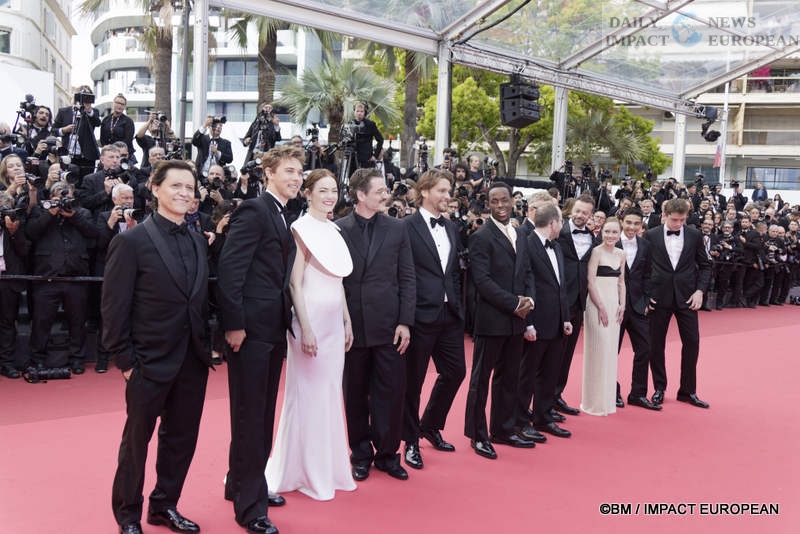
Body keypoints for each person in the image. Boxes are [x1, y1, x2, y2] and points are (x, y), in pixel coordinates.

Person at [103, 160, 213, 534]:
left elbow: (198, 300)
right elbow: (114, 306)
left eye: (189, 187)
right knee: (136, 444)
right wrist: (126, 362)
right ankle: (128, 515)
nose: (184, 193)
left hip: (191, 361)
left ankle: (165, 506)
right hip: (147, 363)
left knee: (181, 441)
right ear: (155, 188)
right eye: (176, 185)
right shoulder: (130, 242)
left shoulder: (197, 240)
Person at [218, 145, 304, 534]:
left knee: (260, 413)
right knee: (251, 416)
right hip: (250, 330)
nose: (296, 178)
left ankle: (241, 483)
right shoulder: (254, 210)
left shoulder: (282, 213)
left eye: (299, 172)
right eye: (289, 171)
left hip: (271, 328)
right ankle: (250, 507)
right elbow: (231, 269)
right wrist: (234, 324)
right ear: (268, 172)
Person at [264, 169, 357, 500]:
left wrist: (346, 320)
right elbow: (294, 283)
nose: (330, 196)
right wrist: (304, 328)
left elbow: (338, 281)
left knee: (330, 394)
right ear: (308, 193)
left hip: (333, 322)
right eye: (323, 190)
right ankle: (303, 471)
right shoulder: (300, 229)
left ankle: (328, 469)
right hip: (310, 320)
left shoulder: (334, 230)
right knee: (308, 395)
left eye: (333, 190)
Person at [336, 168, 416, 482]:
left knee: (391, 393)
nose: (386, 195)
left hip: (389, 326)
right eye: (380, 191)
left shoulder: (397, 228)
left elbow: (407, 277)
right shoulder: (339, 229)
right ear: (360, 195)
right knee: (355, 394)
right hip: (352, 327)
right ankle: (360, 455)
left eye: (386, 190)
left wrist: (405, 321)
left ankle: (387, 454)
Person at [465, 181, 536, 460]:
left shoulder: (520, 234)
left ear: (512, 201)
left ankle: (503, 429)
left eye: (504, 200)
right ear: (488, 205)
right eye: (494, 201)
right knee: (481, 380)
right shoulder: (481, 237)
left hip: (516, 321)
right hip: (491, 320)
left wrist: (529, 300)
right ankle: (477, 435)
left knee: (509, 377)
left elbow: (527, 272)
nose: (500, 205)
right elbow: (482, 282)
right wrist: (514, 303)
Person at [401, 168, 466, 470]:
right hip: (419, 314)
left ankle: (429, 425)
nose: (447, 196)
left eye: (448, 191)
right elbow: (403, 274)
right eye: (441, 190)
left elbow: (453, 271)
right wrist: (405, 316)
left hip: (449, 313)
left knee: (456, 372)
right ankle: (410, 440)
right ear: (424, 191)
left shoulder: (451, 227)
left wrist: (457, 304)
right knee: (412, 382)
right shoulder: (406, 227)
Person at [644, 198, 712, 409]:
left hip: (687, 297)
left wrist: (700, 291)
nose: (678, 224)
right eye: (675, 220)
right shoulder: (651, 235)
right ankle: (659, 388)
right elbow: (643, 267)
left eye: (682, 220)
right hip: (658, 297)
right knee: (656, 344)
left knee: (692, 342)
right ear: (664, 215)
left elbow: (706, 265)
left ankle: (687, 391)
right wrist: (646, 294)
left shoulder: (694, 235)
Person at [516, 201, 572, 441]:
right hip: (536, 322)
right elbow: (523, 285)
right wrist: (527, 323)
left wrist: (566, 317)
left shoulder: (557, 247)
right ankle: (519, 420)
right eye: (561, 221)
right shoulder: (527, 245)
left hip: (556, 321)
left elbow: (560, 286)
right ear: (553, 223)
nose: (563, 225)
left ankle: (543, 416)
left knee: (550, 373)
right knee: (527, 374)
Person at [554, 194, 596, 416]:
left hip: (579, 302)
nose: (580, 215)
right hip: (557, 301)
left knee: (567, 353)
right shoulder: (557, 233)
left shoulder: (593, 238)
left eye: (585, 213)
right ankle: (541, 400)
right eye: (578, 211)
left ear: (590, 215)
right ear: (571, 209)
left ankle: (556, 395)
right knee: (551, 352)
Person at [616, 207, 661, 410]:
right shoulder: (610, 241)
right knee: (611, 351)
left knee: (645, 349)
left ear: (641, 225)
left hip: (638, 307)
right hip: (615, 306)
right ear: (621, 222)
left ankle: (638, 394)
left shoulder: (646, 245)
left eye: (636, 223)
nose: (632, 227)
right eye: (629, 222)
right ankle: (612, 391)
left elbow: (648, 274)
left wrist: (646, 299)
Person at [581, 217, 626, 416]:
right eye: (607, 231)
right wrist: (600, 306)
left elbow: (621, 282)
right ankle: (593, 402)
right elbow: (590, 282)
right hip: (596, 303)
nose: (610, 235)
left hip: (614, 305)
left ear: (619, 234)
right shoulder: (596, 252)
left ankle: (607, 401)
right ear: (601, 232)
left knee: (609, 351)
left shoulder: (621, 254)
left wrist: (622, 305)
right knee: (597, 350)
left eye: (614, 232)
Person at [52, 86, 101, 178]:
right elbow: (53, 130)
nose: (84, 98)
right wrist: (64, 130)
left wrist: (88, 110)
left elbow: (97, 123)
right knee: (69, 179)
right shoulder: (64, 111)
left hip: (86, 156)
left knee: (86, 180)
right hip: (68, 155)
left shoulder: (93, 112)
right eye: (81, 95)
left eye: (87, 95)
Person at [101, 94, 136, 164]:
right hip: (109, 154)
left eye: (122, 104)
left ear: (124, 107)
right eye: (117, 103)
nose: (119, 106)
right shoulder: (106, 120)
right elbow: (102, 138)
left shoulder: (128, 121)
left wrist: (116, 151)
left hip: (124, 155)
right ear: (113, 103)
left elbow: (128, 140)